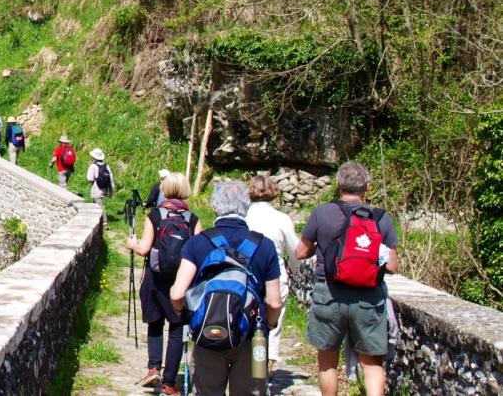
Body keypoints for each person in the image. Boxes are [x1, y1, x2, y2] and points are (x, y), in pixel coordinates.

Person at [295, 162, 399, 396]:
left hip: (329, 294)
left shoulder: (322, 212)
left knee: (328, 360)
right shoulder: (381, 218)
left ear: (338, 184)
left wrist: (320, 247)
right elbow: (392, 266)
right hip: (368, 298)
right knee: (372, 364)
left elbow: (300, 253)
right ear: (367, 187)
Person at [170, 181, 283, 396]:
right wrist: (267, 324)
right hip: (251, 335)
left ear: (214, 206)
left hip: (208, 333)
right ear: (246, 206)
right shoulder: (264, 246)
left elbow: (177, 294)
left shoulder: (197, 243)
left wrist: (188, 316)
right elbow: (274, 302)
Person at [127, 172, 202, 394]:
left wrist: (132, 243)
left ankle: (153, 369)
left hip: (155, 278)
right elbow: (199, 251)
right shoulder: (193, 219)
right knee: (178, 328)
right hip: (181, 281)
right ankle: (170, 382)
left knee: (155, 322)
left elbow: (144, 249)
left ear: (165, 189)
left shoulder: (155, 215)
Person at [245, 174, 302, 377]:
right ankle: (264, 374)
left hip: (245, 277)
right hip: (275, 278)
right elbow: (296, 252)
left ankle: (243, 371)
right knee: (272, 327)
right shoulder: (281, 219)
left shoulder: (243, 217)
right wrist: (292, 270)